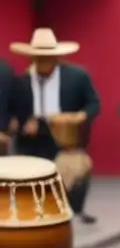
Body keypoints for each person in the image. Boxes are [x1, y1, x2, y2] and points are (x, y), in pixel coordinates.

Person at [9, 28, 101, 223]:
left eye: (47, 57)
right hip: (31, 141)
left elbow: (94, 103)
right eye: (38, 58)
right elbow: (12, 112)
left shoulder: (77, 77)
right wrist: (20, 124)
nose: (42, 62)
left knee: (76, 167)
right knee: (32, 177)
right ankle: (35, 212)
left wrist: (79, 117)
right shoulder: (20, 82)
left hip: (64, 137)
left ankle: (74, 210)